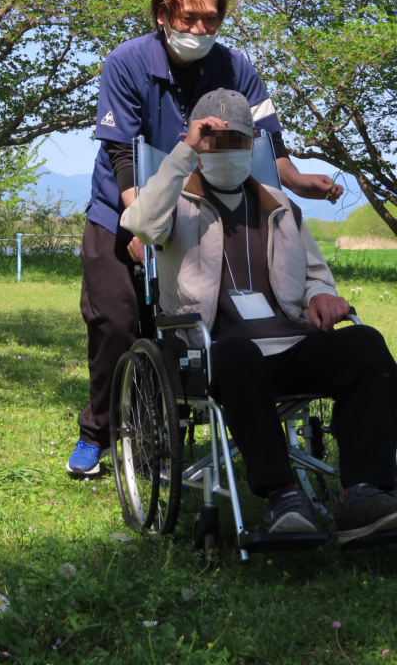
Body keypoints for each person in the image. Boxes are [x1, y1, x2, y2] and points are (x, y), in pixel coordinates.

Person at [68, 0, 346, 478]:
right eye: (188, 18)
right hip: (125, 209)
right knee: (115, 324)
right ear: (162, 15)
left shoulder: (237, 67)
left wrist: (300, 180)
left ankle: (163, 430)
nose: (199, 30)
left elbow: (268, 148)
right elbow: (123, 157)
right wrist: (140, 229)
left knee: (189, 322)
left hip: (205, 212)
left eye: (210, 20)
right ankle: (97, 432)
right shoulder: (126, 63)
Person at [121, 88, 397, 542]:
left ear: (253, 145)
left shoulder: (280, 204)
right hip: (215, 352)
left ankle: (365, 493)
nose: (226, 151)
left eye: (237, 141)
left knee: (365, 345)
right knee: (237, 353)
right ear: (197, 144)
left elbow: (315, 274)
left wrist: (322, 295)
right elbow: (141, 224)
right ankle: (283, 495)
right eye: (214, 141)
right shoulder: (175, 204)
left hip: (289, 341)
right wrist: (186, 149)